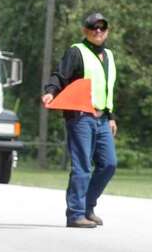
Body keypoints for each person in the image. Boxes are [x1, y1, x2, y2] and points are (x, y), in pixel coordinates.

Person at [41, 12, 117, 228]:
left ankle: (87, 206)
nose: (98, 31)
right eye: (94, 28)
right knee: (82, 165)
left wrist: (111, 116)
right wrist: (51, 91)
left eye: (102, 28)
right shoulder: (77, 52)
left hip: (102, 119)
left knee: (109, 164)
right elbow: (60, 75)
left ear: (107, 31)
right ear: (86, 31)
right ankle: (75, 214)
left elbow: (107, 88)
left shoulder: (109, 56)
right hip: (81, 117)